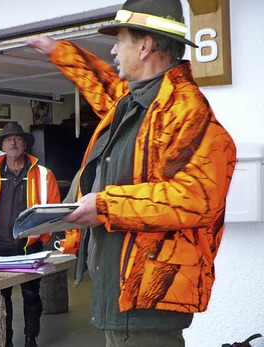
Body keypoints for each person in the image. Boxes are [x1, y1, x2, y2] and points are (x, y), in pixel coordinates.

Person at [26, 0, 237, 346]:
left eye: (119, 40)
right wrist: (59, 52)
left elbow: (196, 198)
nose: (112, 49)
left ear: (145, 45)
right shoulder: (134, 102)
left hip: (148, 303)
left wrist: (106, 205)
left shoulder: (187, 111)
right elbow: (103, 86)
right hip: (122, 298)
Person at [0, 121, 61, 347]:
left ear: (24, 144)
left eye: (17, 138)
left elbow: (53, 208)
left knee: (31, 295)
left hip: (29, 246)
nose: (13, 142)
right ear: (2, 146)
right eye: (8, 139)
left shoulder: (43, 174)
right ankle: (7, 340)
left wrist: (41, 239)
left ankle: (31, 338)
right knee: (3, 297)